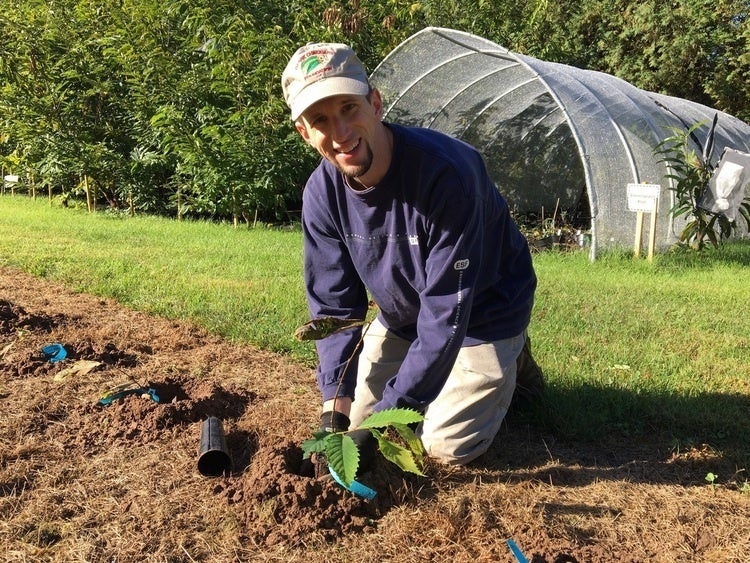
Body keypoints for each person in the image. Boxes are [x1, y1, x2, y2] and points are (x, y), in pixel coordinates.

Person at [281, 42, 543, 470]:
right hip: (404, 315)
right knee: (354, 423)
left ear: (376, 102)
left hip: (482, 310)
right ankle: (476, 372)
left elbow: (445, 314)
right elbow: (334, 307)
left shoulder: (447, 175)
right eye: (321, 120)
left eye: (349, 108)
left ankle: (509, 355)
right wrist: (335, 408)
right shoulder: (321, 195)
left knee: (440, 447)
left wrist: (389, 418)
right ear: (305, 133)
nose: (341, 131)